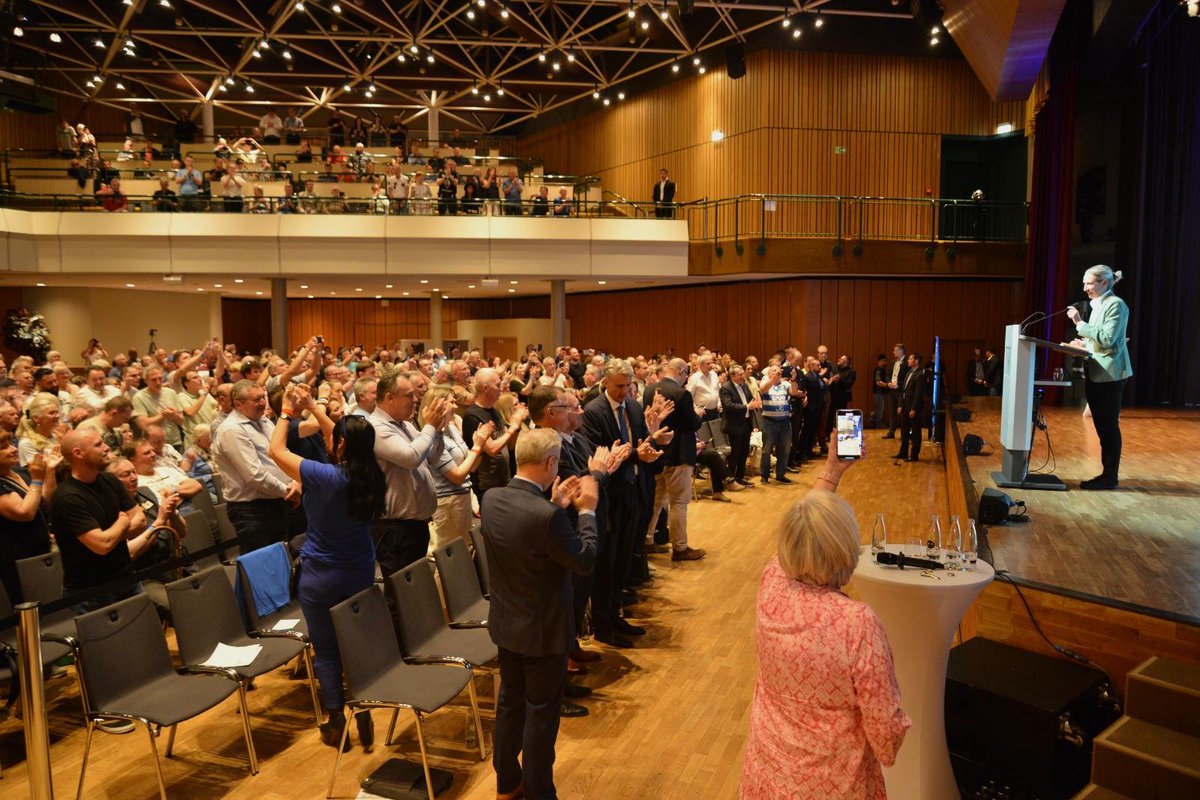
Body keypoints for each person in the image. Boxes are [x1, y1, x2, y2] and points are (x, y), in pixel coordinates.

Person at [740, 447, 910, 799]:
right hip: (833, 783)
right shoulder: (856, 623)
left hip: (767, 775)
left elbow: (804, 531)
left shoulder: (772, 583)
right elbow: (886, 736)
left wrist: (832, 470)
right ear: (846, 549)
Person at [268, 384, 386, 750]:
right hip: (360, 569)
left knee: (328, 648)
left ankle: (336, 719)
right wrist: (315, 409)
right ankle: (364, 709)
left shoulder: (324, 476)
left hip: (321, 574)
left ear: (340, 447)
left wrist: (288, 410)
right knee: (358, 642)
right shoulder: (373, 476)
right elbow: (342, 439)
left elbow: (276, 450)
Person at [483, 427, 599, 800]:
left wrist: (556, 505)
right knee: (541, 716)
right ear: (551, 462)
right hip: (543, 630)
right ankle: (540, 792)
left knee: (510, 705)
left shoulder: (491, 497)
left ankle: (507, 783)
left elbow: (526, 538)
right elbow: (584, 560)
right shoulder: (546, 516)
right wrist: (587, 512)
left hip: (506, 625)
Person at [211, 380, 302, 552]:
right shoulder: (231, 430)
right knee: (263, 565)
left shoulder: (265, 421)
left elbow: (282, 452)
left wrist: (295, 480)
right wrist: (288, 492)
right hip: (252, 511)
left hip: (278, 502)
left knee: (282, 560)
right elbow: (255, 476)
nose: (262, 403)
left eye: (263, 397)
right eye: (256, 400)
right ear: (238, 404)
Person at [1067, 265, 1132, 490]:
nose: (1084, 288)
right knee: (1102, 426)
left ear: (1105, 283)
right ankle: (1107, 474)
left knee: (1108, 427)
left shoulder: (1116, 305)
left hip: (1110, 376)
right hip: (1096, 372)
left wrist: (1079, 324)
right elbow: (1099, 342)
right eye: (1084, 283)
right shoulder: (1098, 306)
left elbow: (1107, 340)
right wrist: (1082, 344)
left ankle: (1109, 477)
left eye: (1089, 283)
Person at [0, 431, 57, 602]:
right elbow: (25, 512)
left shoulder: (18, 472)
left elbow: (43, 499)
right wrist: (37, 480)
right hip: (17, 560)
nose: (13, 449)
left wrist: (50, 471)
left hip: (40, 551)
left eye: (11, 444)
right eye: (4, 447)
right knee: (30, 609)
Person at [894, 353, 925, 462]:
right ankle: (903, 452)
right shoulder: (908, 373)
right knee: (904, 431)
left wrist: (914, 409)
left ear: (916, 361)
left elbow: (918, 394)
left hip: (913, 409)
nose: (908, 360)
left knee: (915, 433)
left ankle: (914, 455)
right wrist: (900, 405)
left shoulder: (920, 375)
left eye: (910, 359)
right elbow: (904, 392)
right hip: (905, 407)